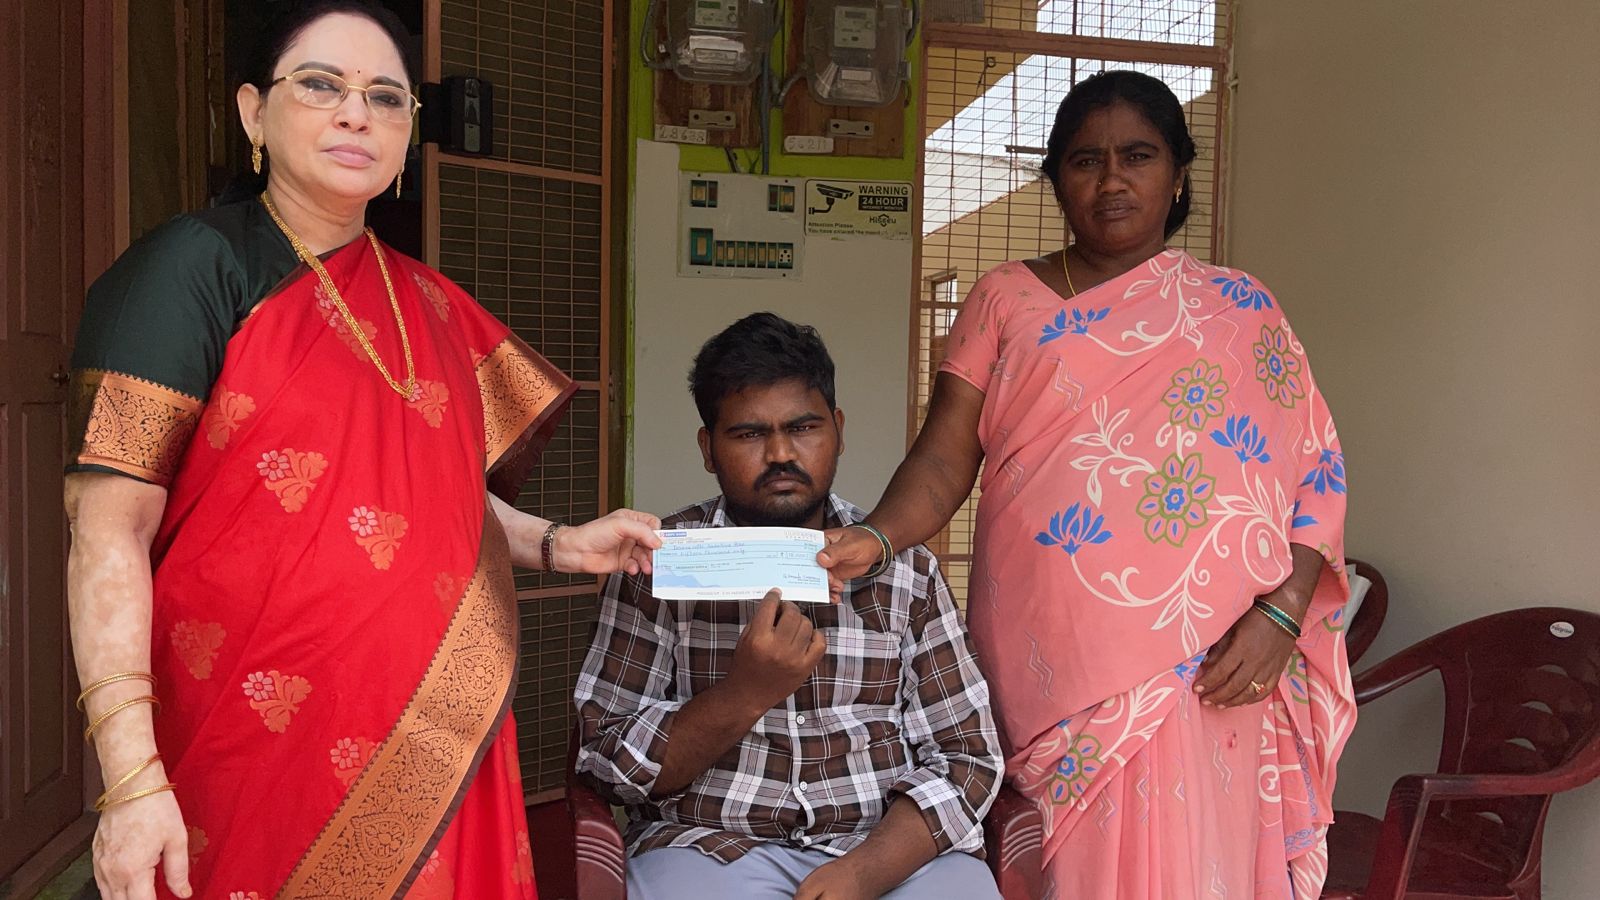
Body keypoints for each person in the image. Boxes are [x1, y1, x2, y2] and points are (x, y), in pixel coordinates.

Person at [63, 3, 661, 897]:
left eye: (386, 97)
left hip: (437, 737)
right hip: (249, 743)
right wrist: (132, 782)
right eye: (320, 85)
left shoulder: (434, 305)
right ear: (253, 113)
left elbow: (435, 500)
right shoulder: (190, 269)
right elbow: (107, 530)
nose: (356, 114)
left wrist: (559, 543)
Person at [818, 71, 1354, 899]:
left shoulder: (1241, 308)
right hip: (1048, 646)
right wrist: (877, 537)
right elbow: (943, 460)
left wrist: (1283, 613)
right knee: (1060, 863)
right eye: (1085, 160)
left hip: (1210, 653)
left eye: (1137, 156)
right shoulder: (1004, 299)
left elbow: (1315, 471)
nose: (1111, 180)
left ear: (1178, 172)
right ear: (1056, 178)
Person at [573, 313, 1004, 900]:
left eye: (803, 427)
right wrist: (743, 695)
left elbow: (967, 758)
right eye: (748, 434)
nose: (780, 453)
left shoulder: (906, 569)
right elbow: (606, 762)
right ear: (707, 448)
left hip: (885, 849)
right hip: (709, 846)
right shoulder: (656, 566)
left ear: (838, 431)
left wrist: (863, 873)